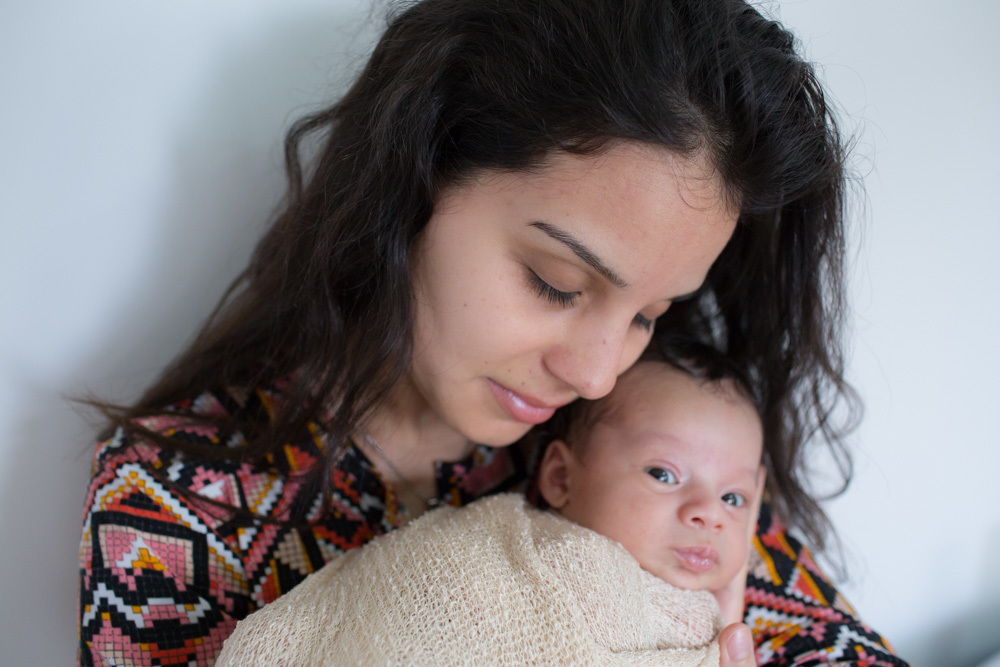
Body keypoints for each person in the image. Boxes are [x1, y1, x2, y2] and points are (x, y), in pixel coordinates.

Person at [77, 0, 907, 665]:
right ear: (417, 181)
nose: (594, 374)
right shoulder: (173, 506)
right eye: (558, 282)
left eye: (649, 314)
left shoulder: (649, 459)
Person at [214, 357, 765, 665]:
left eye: (734, 498)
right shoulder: (493, 553)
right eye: (663, 474)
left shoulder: (717, 617)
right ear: (560, 477)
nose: (707, 514)